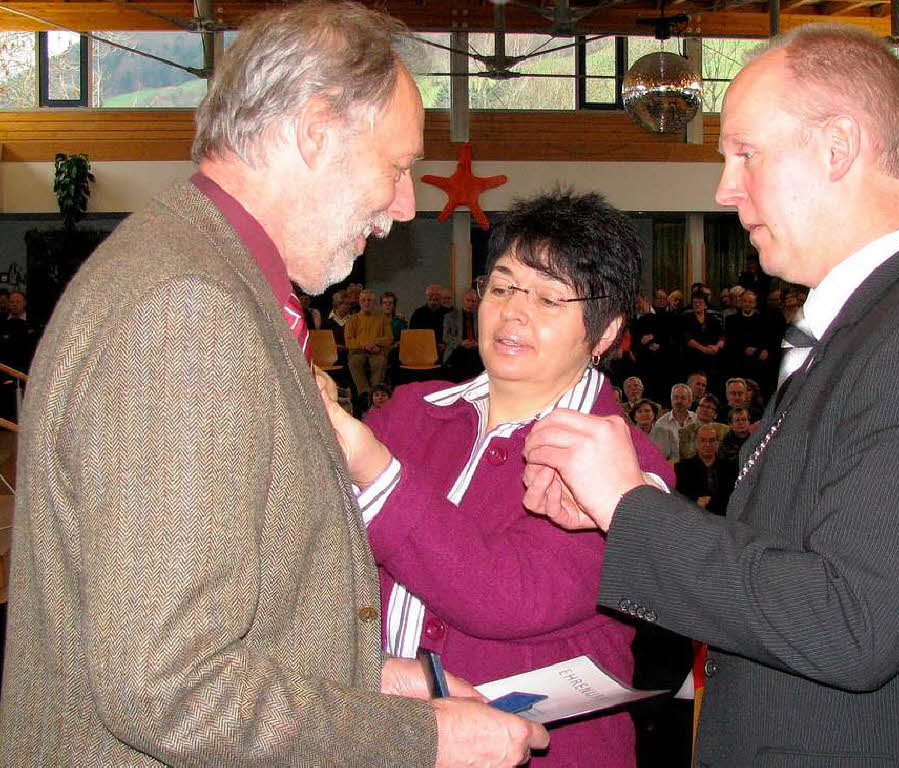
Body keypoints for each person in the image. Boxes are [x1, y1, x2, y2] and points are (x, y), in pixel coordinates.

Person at [0, 4, 548, 766]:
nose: (404, 207)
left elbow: (234, 617)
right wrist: (425, 739)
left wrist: (378, 680)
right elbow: (169, 688)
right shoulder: (189, 309)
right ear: (316, 129)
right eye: (396, 168)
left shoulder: (201, 274)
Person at [521, 24, 899, 767]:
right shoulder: (878, 325)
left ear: (837, 148)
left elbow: (850, 624)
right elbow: (793, 559)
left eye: (746, 154)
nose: (725, 188)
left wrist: (634, 508)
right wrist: (615, 518)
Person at [317, 190, 673, 767]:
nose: (513, 313)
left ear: (606, 332)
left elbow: (508, 595)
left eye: (551, 299)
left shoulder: (626, 467)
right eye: (503, 287)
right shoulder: (411, 411)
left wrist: (372, 468)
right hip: (390, 743)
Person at [344, 288, 393, 410]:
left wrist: (374, 343)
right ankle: (365, 394)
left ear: (374, 302)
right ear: (359, 302)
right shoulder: (352, 319)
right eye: (363, 300)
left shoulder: (382, 318)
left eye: (369, 300)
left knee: (380, 362)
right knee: (354, 362)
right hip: (358, 352)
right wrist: (364, 345)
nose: (366, 303)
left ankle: (376, 393)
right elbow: (349, 341)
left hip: (377, 351)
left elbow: (389, 338)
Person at [674, 423, 737, 517]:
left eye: (711, 441)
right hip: (694, 517)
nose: (707, 445)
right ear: (696, 443)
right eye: (703, 440)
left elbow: (731, 495)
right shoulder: (682, 468)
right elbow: (680, 496)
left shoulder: (730, 468)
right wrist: (696, 501)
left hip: (723, 517)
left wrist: (711, 502)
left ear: (717, 444)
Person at [442, 287, 484, 382]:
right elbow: (445, 337)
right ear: (463, 301)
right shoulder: (450, 316)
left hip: (476, 350)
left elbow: (487, 336)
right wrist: (460, 343)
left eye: (473, 301)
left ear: (477, 302)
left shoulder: (482, 317)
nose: (470, 304)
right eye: (468, 300)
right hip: (457, 349)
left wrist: (477, 343)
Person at [650, 382, 697, 463]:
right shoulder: (661, 423)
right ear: (671, 400)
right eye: (675, 398)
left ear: (689, 401)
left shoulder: (696, 419)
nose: (679, 401)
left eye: (683, 398)